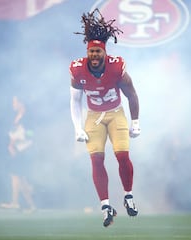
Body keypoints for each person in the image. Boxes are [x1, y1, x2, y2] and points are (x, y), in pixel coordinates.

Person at [69, 9, 141, 227]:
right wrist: (77, 127)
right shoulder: (78, 69)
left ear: (104, 53)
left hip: (116, 113)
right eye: (92, 52)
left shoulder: (116, 67)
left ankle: (128, 197)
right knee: (96, 159)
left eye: (98, 52)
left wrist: (136, 122)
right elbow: (75, 101)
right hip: (93, 116)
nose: (95, 55)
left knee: (121, 155)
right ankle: (105, 205)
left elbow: (132, 94)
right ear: (87, 52)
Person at [1, 96, 37, 213]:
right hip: (17, 150)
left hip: (25, 150)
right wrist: (11, 144)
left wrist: (17, 139)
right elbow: (12, 132)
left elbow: (31, 134)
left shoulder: (28, 117)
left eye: (15, 102)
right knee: (17, 177)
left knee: (18, 177)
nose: (13, 104)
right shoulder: (16, 117)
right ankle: (27, 205)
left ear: (21, 103)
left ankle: (18, 203)